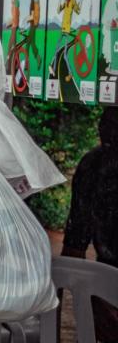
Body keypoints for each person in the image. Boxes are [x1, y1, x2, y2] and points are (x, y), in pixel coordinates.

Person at [61, 107, 118, 342]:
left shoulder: (93, 163)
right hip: (105, 289)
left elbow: (74, 250)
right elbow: (74, 249)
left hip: (104, 290)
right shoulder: (93, 165)